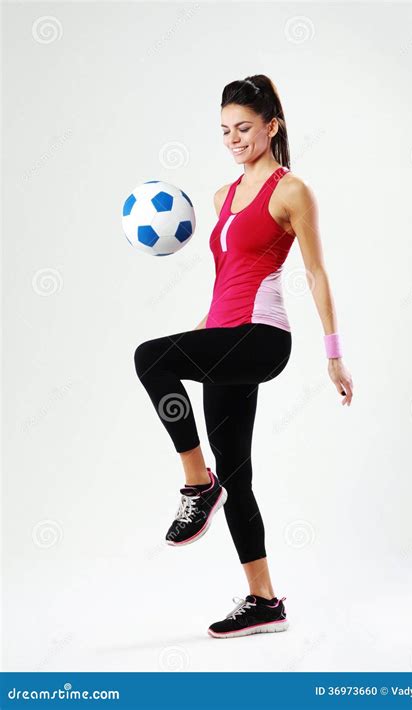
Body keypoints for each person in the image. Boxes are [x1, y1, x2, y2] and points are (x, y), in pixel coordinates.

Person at [134, 74, 354, 639]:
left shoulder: (291, 190)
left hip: (262, 337)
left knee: (150, 357)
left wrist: (333, 354)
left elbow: (315, 271)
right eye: (225, 130)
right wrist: (206, 330)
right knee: (239, 474)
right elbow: (225, 274)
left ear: (271, 126)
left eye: (244, 128)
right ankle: (265, 600)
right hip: (225, 337)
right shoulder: (220, 197)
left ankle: (195, 486)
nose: (233, 139)